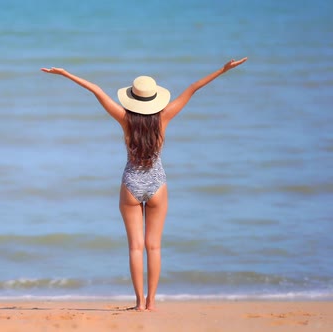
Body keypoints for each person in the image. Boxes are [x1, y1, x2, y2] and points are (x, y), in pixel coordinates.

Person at [41, 57, 247, 311]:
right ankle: (151, 303)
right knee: (155, 247)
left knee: (135, 248)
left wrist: (66, 74)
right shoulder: (164, 117)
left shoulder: (124, 118)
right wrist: (223, 70)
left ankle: (138, 303)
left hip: (131, 183)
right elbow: (193, 87)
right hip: (157, 183)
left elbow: (96, 89)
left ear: (132, 98)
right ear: (155, 98)